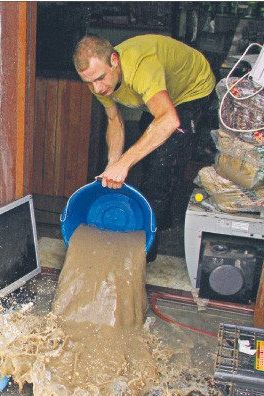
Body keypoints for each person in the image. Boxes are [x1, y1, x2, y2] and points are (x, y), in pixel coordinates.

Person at [73, 34, 216, 261]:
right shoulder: (97, 80)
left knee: (161, 166)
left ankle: (144, 254)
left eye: (100, 78)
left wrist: (125, 163)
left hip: (192, 88)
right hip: (160, 98)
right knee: (147, 154)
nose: (97, 88)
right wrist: (113, 164)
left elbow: (169, 120)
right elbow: (114, 121)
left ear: (114, 61)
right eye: (89, 82)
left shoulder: (141, 68)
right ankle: (162, 217)